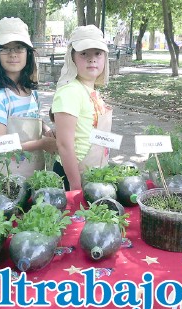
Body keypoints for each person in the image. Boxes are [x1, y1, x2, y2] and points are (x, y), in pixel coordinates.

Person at [0, 17, 56, 178]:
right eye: (5, 48)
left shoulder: (32, 92)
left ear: (28, 53)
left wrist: (46, 129)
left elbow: (31, 118)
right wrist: (42, 143)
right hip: (10, 180)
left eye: (19, 48)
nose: (13, 54)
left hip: (35, 173)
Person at [50, 25, 112, 191]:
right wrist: (76, 186)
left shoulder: (92, 91)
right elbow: (64, 145)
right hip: (72, 175)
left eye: (97, 53)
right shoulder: (70, 92)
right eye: (84, 53)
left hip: (92, 172)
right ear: (72, 58)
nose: (92, 59)